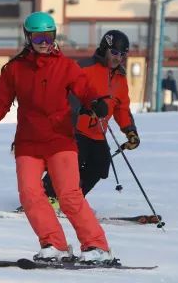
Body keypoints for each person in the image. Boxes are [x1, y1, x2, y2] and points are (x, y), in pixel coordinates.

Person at [0, 12, 116, 265]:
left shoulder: (66, 66)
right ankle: (54, 244)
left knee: (69, 195)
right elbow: (2, 102)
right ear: (28, 37)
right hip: (28, 142)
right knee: (29, 194)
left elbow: (85, 90)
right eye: (38, 36)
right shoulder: (14, 69)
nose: (44, 41)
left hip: (60, 139)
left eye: (48, 36)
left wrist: (96, 103)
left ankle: (96, 246)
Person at [40, 30, 140, 201]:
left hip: (97, 132)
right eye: (114, 52)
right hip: (74, 128)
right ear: (104, 49)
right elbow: (66, 94)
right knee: (72, 162)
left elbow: (121, 108)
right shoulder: (85, 67)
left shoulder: (120, 78)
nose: (118, 58)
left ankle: (73, 199)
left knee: (101, 165)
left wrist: (130, 131)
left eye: (122, 54)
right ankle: (44, 196)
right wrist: (84, 109)